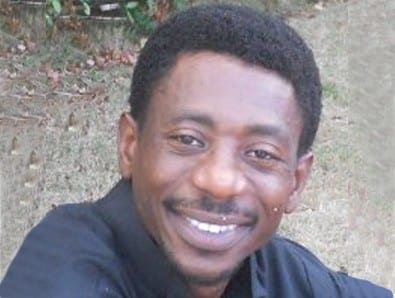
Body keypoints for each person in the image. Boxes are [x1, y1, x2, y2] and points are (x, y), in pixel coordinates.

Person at [0, 4, 392, 298]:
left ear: (296, 181)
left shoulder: (271, 270)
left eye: (261, 153)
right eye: (188, 140)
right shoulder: (60, 277)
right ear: (130, 147)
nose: (219, 182)